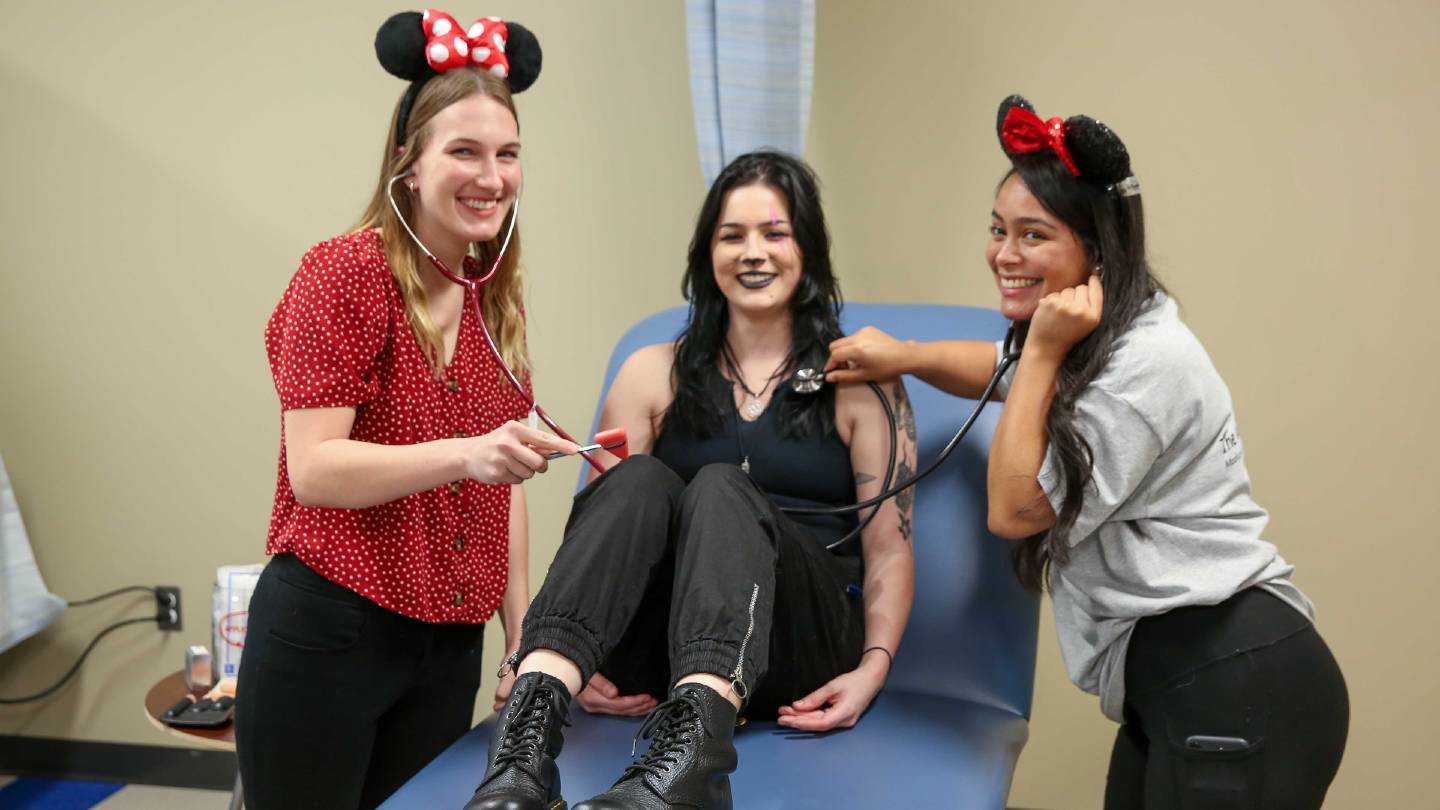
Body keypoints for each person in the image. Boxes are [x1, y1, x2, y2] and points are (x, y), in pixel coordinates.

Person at [824, 95, 1349, 809]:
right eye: (997, 230)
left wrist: (1039, 349)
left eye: (1033, 235)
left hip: (1237, 683)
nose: (1004, 255)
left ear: (1094, 250)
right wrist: (906, 355)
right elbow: (998, 371)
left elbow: (1014, 510)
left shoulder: (1145, 368)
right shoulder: (1112, 338)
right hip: (1182, 685)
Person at [463, 150, 917, 810]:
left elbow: (890, 551)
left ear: (808, 250)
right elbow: (609, 527)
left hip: (799, 643)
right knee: (640, 479)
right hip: (663, 657)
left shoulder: (863, 383)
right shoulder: (652, 372)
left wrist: (872, 670)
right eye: (732, 236)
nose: (753, 253)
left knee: (719, 486)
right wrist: (578, 654)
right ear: (707, 254)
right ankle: (523, 750)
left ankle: (694, 765)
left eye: (775, 233)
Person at [234, 12, 578, 810]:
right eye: (463, 151)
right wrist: (467, 452)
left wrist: (519, 630)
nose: (490, 176)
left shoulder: (493, 297)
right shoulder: (343, 274)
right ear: (408, 164)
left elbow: (508, 471)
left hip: (446, 644)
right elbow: (317, 470)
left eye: (507, 154)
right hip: (331, 630)